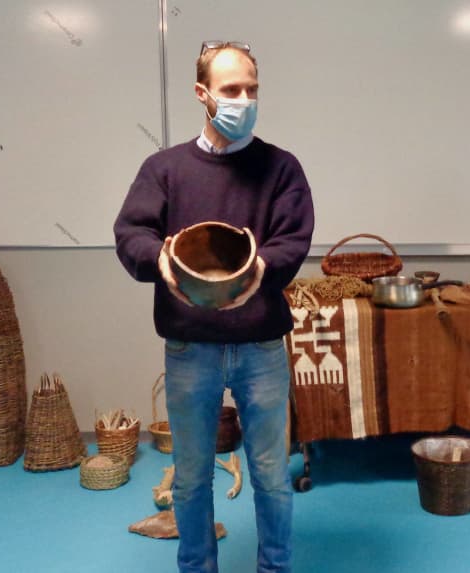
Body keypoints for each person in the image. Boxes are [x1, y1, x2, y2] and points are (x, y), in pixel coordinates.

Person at [114, 40, 314, 573]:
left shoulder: (281, 168)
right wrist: (159, 257)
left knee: (272, 476)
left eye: (251, 89)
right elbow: (130, 232)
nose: (243, 100)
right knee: (191, 476)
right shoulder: (164, 169)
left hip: (261, 346)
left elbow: (293, 239)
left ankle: (274, 568)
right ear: (202, 94)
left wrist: (259, 270)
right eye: (231, 90)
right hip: (189, 346)